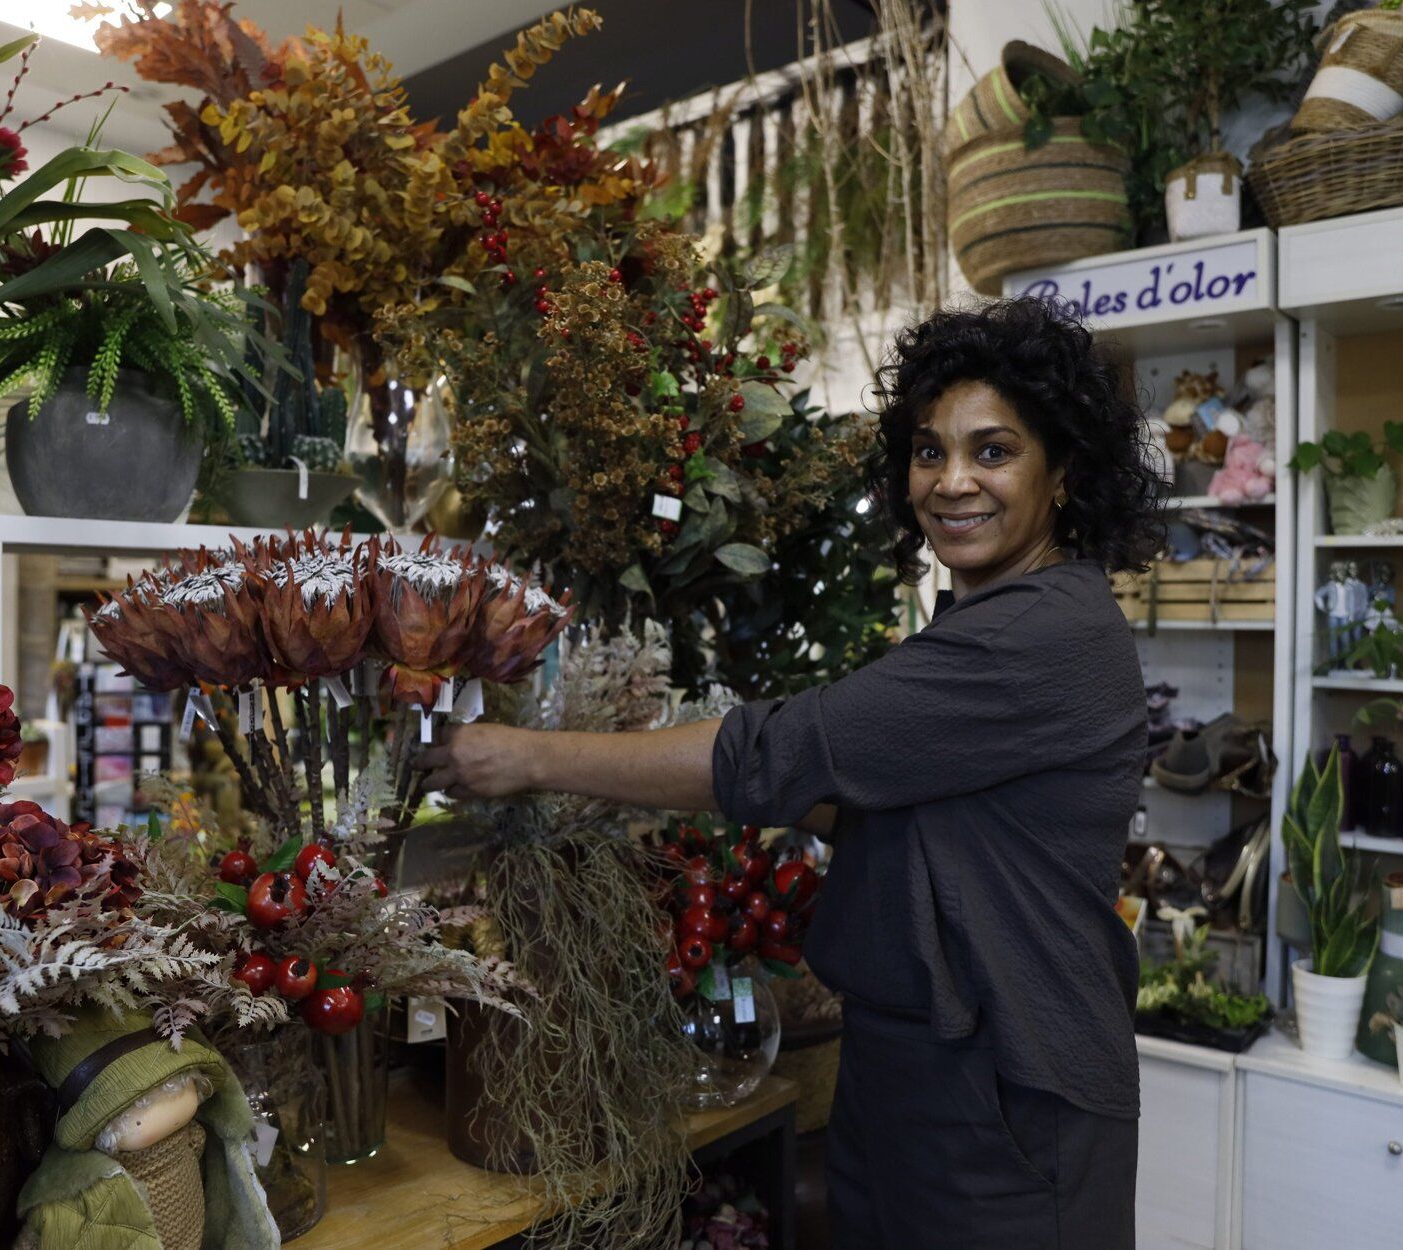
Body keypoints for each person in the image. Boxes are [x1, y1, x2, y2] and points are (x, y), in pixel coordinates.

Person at [422, 296, 1166, 1249]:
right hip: (913, 1071)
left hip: (1009, 1087)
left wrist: (524, 756)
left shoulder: (1040, 632)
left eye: (993, 450)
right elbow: (881, 807)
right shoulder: (987, 620)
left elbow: (774, 751)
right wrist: (647, 762)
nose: (951, 482)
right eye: (929, 450)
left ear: (1062, 471)